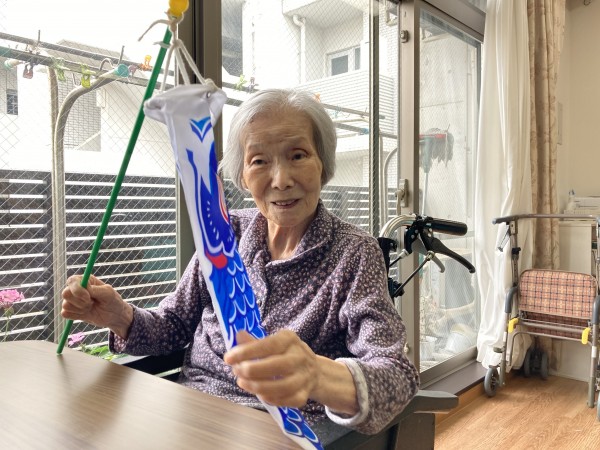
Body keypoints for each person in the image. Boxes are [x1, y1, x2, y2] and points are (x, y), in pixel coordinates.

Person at [61, 88, 419, 435]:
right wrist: (118, 316)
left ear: (322, 164)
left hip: (279, 433)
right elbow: (174, 324)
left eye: (298, 155)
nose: (281, 180)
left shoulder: (354, 253)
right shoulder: (225, 233)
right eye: (259, 161)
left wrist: (318, 375)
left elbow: (397, 374)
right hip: (191, 417)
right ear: (243, 176)